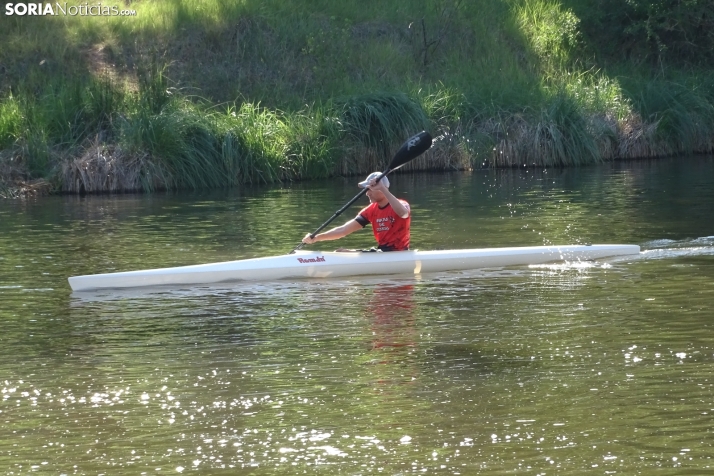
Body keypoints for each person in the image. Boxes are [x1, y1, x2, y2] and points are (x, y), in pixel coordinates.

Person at [302, 172, 411, 251]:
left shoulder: (401, 204)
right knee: (341, 252)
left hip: (399, 252)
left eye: (369, 189)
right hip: (381, 252)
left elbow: (404, 214)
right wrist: (316, 238)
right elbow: (343, 230)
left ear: (380, 188)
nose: (367, 193)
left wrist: (383, 189)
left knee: (344, 253)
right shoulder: (371, 210)